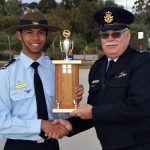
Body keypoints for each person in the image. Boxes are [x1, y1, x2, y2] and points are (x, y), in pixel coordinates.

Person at [53, 7, 150, 150]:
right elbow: (96, 111)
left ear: (127, 35)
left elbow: (138, 107)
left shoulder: (143, 61)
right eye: (105, 35)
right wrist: (71, 125)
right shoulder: (98, 68)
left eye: (116, 34)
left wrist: (93, 112)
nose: (110, 39)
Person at [0, 8, 83, 150]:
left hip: (51, 145)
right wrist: (40, 124)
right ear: (19, 35)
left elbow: (58, 113)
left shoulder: (56, 70)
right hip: (19, 146)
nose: (36, 38)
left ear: (46, 35)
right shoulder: (6, 74)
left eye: (41, 32)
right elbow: (1, 122)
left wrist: (72, 101)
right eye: (29, 32)